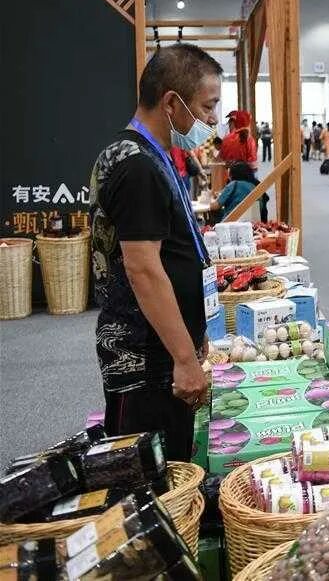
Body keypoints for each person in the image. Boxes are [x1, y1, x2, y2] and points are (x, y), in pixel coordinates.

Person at [88, 44, 222, 462]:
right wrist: (184, 359)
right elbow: (143, 269)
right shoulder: (138, 167)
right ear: (171, 103)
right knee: (153, 481)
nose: (213, 119)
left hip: (160, 353)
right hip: (147, 362)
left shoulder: (148, 155)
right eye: (208, 105)